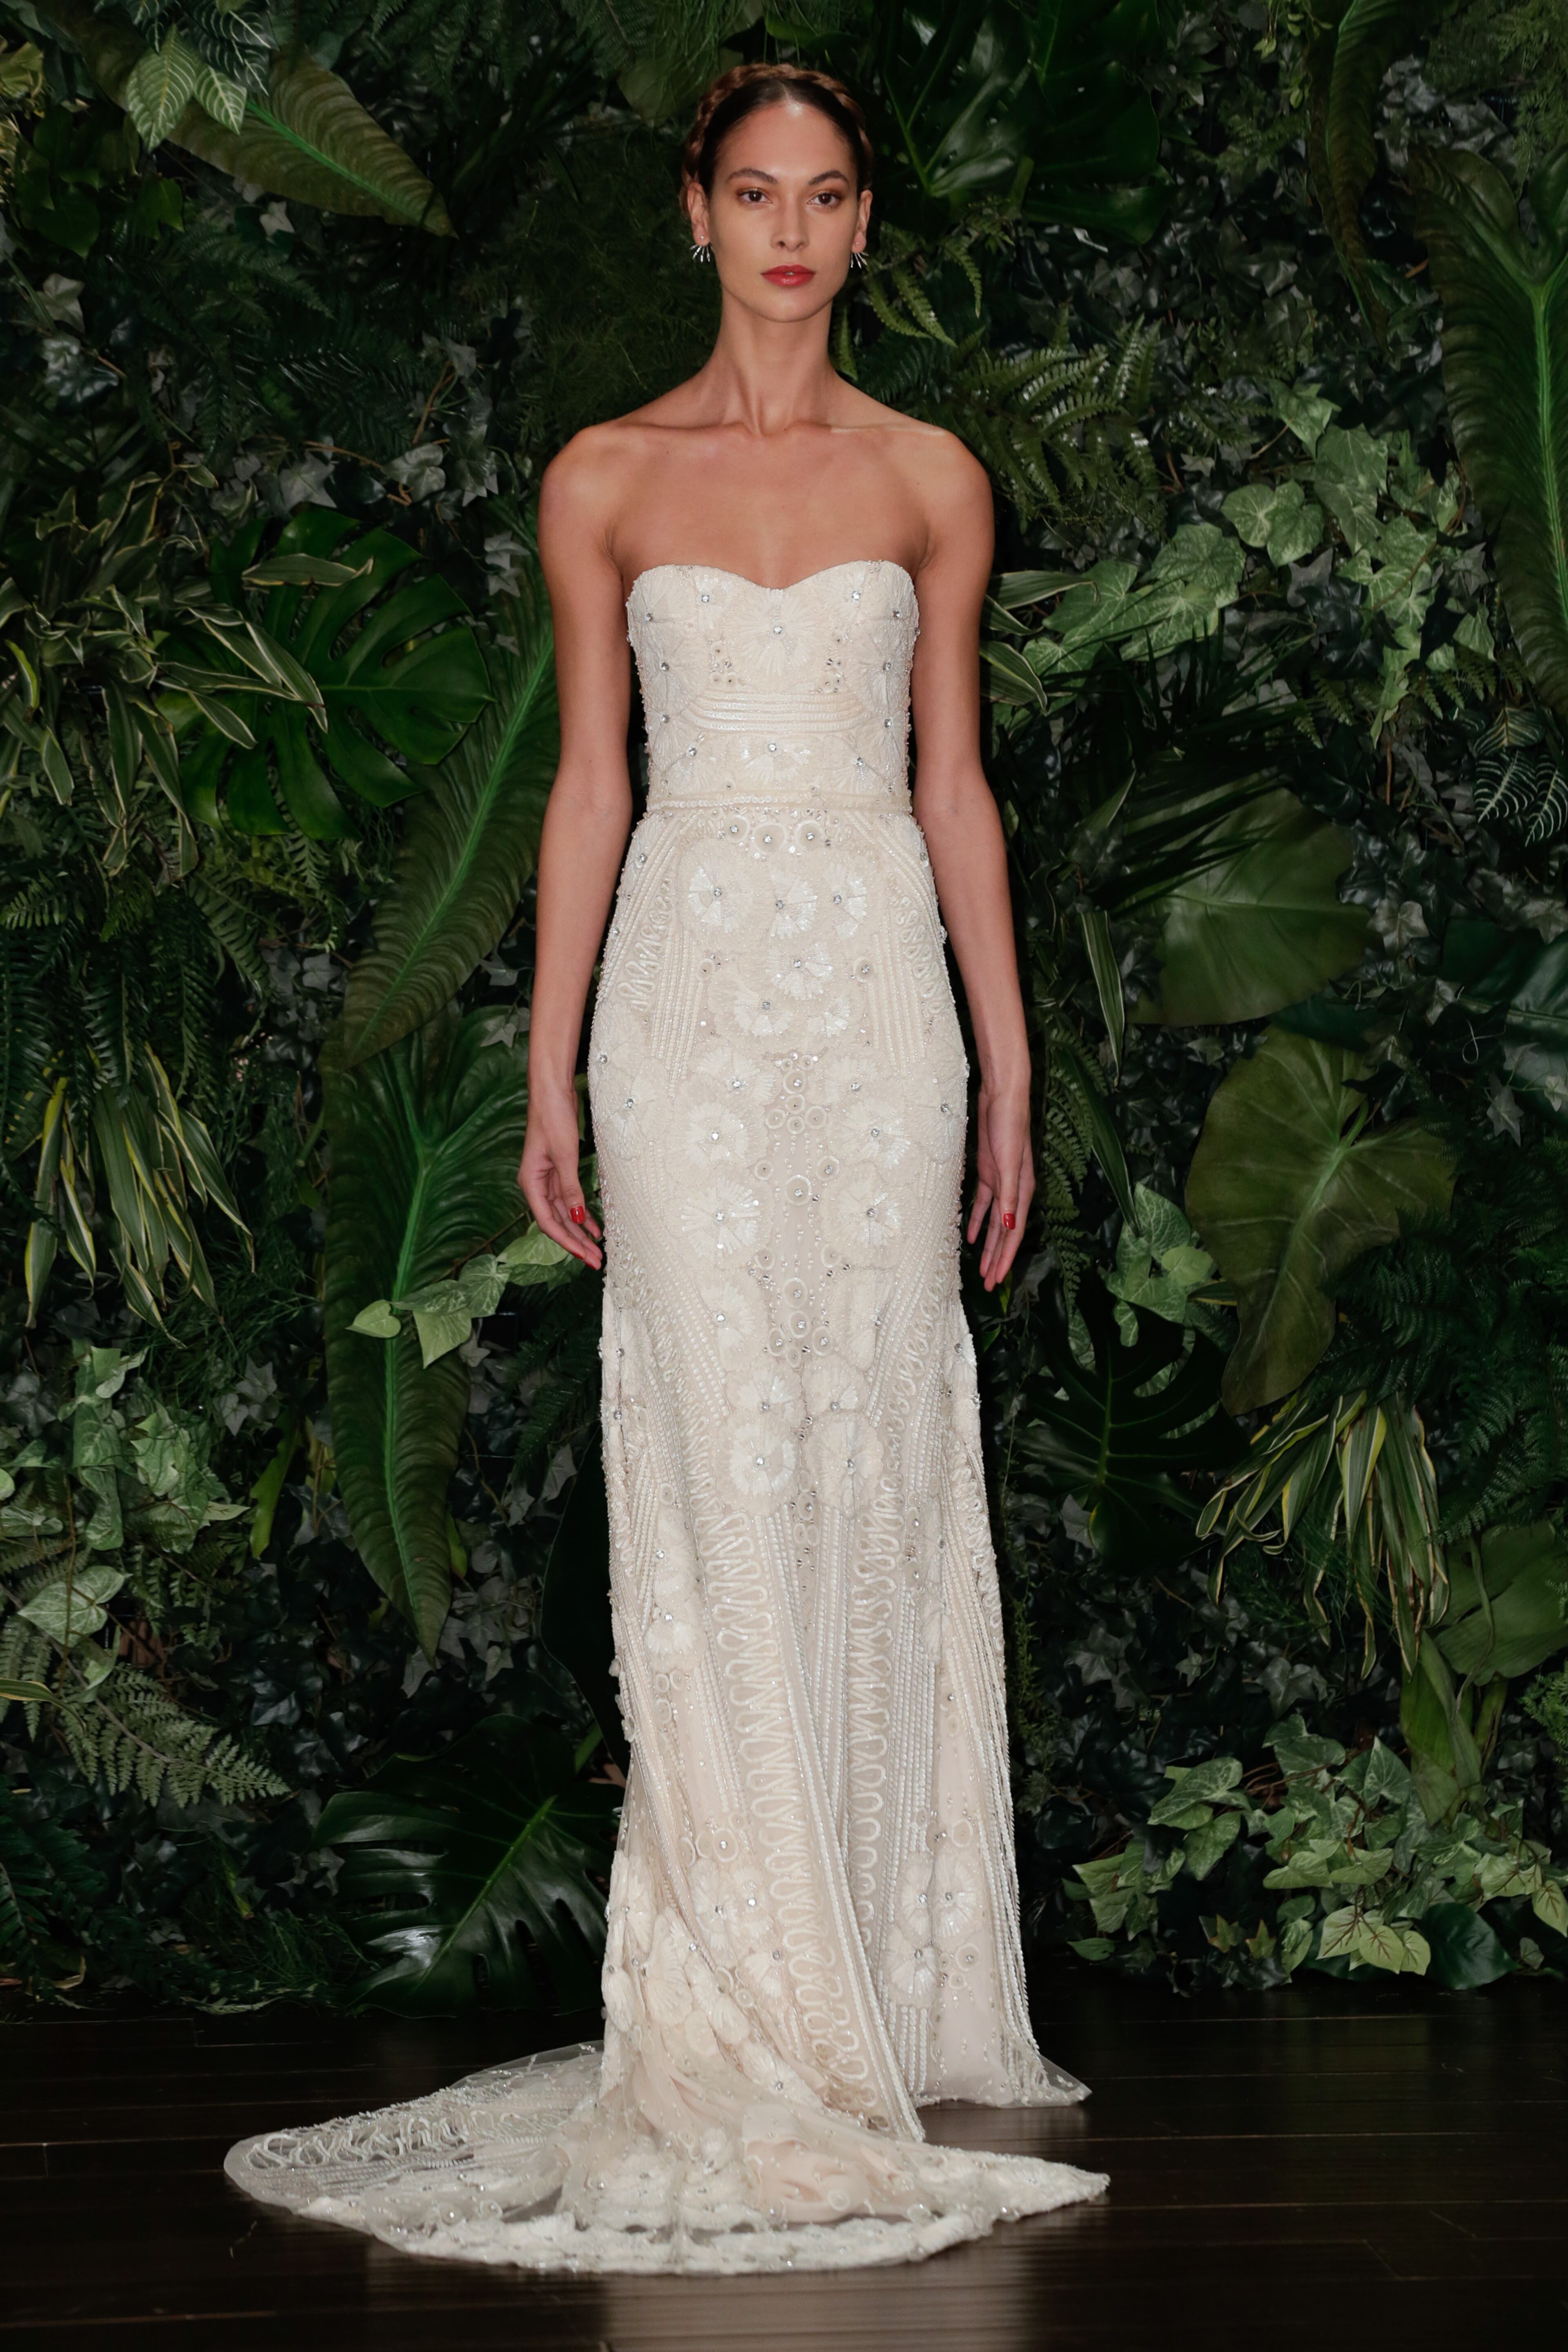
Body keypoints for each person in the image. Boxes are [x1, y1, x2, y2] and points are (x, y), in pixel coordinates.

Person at [225, 60, 1107, 2275]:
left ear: (863, 227)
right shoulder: (604, 479)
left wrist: (1007, 1069)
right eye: (754, 194)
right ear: (697, 219)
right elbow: (592, 784)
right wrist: (550, 1056)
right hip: (689, 1002)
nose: (791, 232)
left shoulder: (933, 480)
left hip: (881, 1003)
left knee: (873, 1437)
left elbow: (962, 788)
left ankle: (884, 1985)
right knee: (718, 1450)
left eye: (826, 197)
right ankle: (738, 1989)